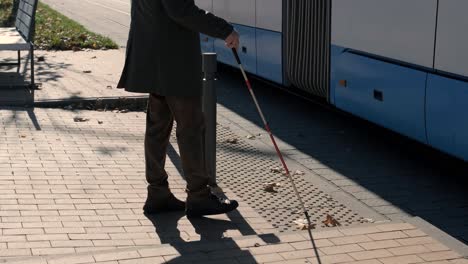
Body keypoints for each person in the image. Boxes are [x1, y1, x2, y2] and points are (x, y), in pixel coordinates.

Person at [117, 0, 240, 217]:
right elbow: (181, 10)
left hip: (153, 57)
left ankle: (157, 193)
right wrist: (225, 30)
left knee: (157, 128)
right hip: (174, 62)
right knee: (191, 129)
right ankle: (199, 196)